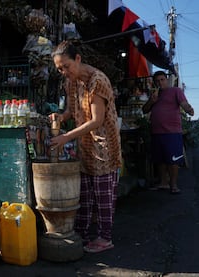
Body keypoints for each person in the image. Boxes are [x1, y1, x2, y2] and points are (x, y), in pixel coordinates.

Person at [49, 41, 121, 253]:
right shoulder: (71, 82)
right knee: (86, 193)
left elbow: (97, 121)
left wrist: (66, 137)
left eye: (66, 66)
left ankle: (105, 238)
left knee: (103, 194)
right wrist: (60, 117)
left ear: (78, 58)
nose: (63, 71)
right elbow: (71, 110)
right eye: (59, 69)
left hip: (104, 145)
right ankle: (83, 233)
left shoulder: (97, 81)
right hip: (86, 144)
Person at [142, 71, 194, 194]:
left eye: (162, 79)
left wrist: (189, 109)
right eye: (157, 81)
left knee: (173, 160)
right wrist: (151, 101)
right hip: (156, 132)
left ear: (166, 80)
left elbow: (183, 103)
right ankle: (163, 183)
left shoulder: (175, 91)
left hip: (172, 132)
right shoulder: (155, 94)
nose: (160, 82)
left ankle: (173, 185)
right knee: (160, 160)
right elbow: (144, 110)